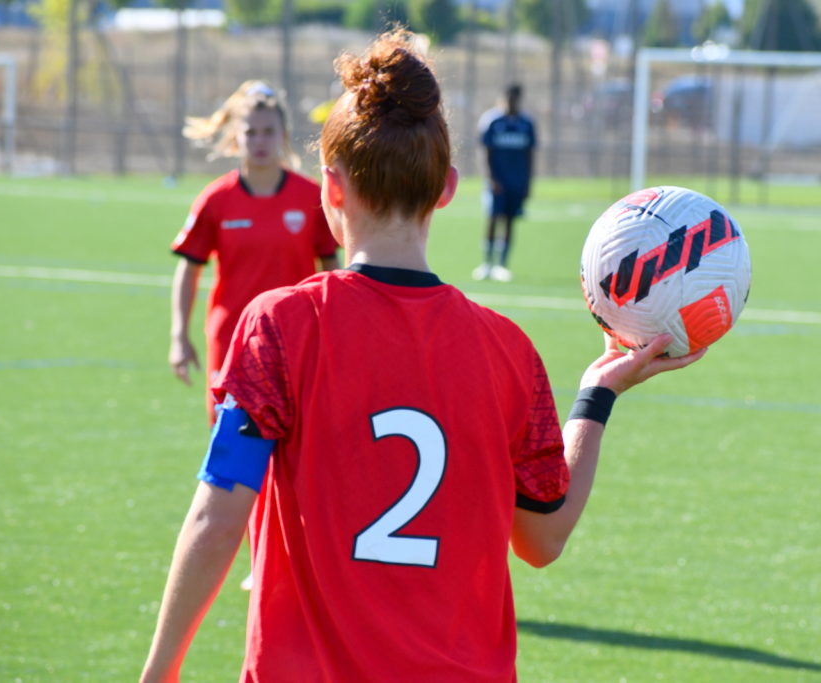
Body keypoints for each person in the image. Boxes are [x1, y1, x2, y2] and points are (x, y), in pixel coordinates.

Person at [140, 30, 704, 682]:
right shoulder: (508, 350)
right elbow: (543, 540)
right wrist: (596, 395)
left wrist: (161, 670)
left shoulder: (280, 326)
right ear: (447, 188)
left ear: (331, 188)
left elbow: (217, 518)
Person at [168, 79, 338, 425]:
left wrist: (332, 329)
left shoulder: (310, 197)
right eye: (251, 132)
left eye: (268, 132)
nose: (260, 141)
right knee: (231, 442)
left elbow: (330, 268)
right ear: (236, 137)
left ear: (283, 135)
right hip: (232, 337)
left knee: (293, 440)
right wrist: (179, 335)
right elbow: (189, 268)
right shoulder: (216, 199)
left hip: (294, 337)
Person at [473, 83, 536, 283]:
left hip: (516, 181)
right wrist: (490, 178)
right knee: (492, 218)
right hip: (497, 182)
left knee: (509, 220)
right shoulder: (492, 121)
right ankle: (486, 263)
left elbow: (530, 154)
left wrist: (528, 183)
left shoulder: (526, 123)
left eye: (515, 99)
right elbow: (484, 151)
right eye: (509, 99)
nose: (511, 103)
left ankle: (502, 265)